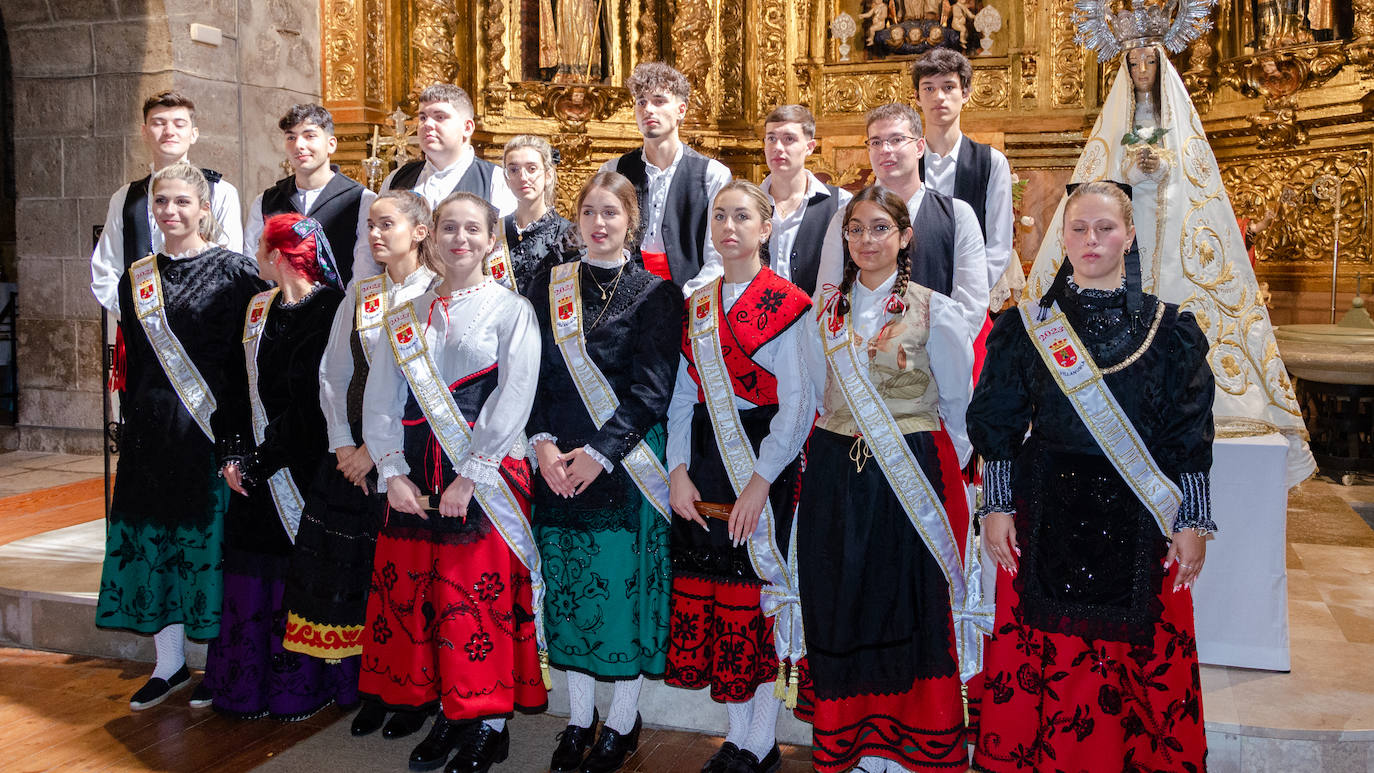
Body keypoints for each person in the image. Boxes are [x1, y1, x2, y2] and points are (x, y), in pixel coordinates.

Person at [969, 181, 1215, 771]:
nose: (1090, 240)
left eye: (1105, 228)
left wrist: (1193, 518)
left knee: (1131, 657)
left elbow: (1190, 432)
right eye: (1078, 228)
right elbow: (999, 421)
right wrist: (997, 506)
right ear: (1064, 236)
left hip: (1137, 515)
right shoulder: (1027, 326)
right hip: (1045, 508)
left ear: (1129, 236)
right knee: (1048, 652)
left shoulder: (1169, 329)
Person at [1025, 42, 1313, 485]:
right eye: (1134, 63)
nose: (1141, 70)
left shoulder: (1179, 120)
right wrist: (1132, 171)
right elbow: (1098, 178)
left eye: (1149, 63)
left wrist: (1163, 168)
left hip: (1171, 228)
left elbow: (1194, 181)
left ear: (1163, 68)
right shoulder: (1115, 120)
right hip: (1122, 222)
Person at [362, 192, 547, 773]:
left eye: (472, 229)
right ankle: (449, 710)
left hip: (482, 475)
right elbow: (383, 396)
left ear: (492, 239)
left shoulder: (511, 309)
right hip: (416, 473)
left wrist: (473, 473)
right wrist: (390, 471)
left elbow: (515, 394)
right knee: (425, 600)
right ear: (430, 236)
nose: (459, 239)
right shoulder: (406, 314)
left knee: (474, 604)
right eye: (448, 228)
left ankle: (487, 725)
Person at [799, 186, 976, 773]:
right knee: (843, 600)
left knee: (905, 604)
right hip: (836, 477)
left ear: (904, 238)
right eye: (855, 229)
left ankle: (907, 750)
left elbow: (958, 407)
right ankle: (855, 745)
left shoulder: (935, 310)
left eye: (879, 228)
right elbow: (807, 397)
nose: (866, 240)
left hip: (910, 476)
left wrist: (937, 474)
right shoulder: (821, 312)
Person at [527, 172, 682, 773]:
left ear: (631, 221)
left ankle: (621, 720)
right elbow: (532, 371)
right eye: (589, 212)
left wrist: (599, 452)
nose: (598, 223)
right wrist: (541, 444)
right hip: (556, 462)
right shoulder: (550, 284)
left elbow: (651, 391)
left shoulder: (654, 295)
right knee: (567, 591)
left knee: (618, 598)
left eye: (610, 213)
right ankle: (579, 718)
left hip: (622, 466)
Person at [94, 162, 264, 710]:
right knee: (156, 548)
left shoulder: (237, 273)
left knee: (206, 550)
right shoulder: (135, 277)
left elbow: (249, 362)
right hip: (150, 433)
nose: (170, 211)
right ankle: (167, 666)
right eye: (161, 202)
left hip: (209, 430)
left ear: (204, 209)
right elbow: (138, 363)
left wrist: (240, 438)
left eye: (182, 202)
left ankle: (219, 668)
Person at [665, 180, 814, 773]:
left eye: (742, 217)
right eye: (720, 216)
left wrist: (760, 482)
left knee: (754, 598)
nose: (729, 227)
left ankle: (759, 741)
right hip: (703, 460)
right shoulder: (698, 303)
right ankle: (738, 737)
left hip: (763, 461)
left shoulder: (789, 302)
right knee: (716, 594)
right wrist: (677, 470)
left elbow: (799, 406)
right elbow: (680, 397)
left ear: (766, 227)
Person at [295, 190, 443, 740]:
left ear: (420, 230)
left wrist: (377, 453)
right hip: (354, 462)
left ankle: (419, 692)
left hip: (410, 460)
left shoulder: (439, 292)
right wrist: (341, 444)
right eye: (370, 227)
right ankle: (377, 686)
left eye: (387, 225)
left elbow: (435, 389)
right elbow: (334, 375)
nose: (375, 235)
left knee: (410, 586)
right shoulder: (362, 293)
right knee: (367, 585)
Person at [203, 213, 349, 720]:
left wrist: (264, 459)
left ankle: (303, 688)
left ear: (280, 255)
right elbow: (232, 387)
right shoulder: (256, 309)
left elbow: (317, 399)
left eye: (261, 248)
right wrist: (234, 450)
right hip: (255, 474)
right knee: (251, 571)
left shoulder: (332, 309)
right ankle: (246, 686)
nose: (256, 257)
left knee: (299, 573)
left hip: (306, 468)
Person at [817, 102, 989, 340]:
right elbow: (826, 294)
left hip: (932, 361)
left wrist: (940, 354)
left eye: (896, 139)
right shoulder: (844, 217)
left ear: (919, 147)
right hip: (857, 358)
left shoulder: (957, 214)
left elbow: (972, 301)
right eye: (876, 142)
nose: (885, 149)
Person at [91, 91, 244, 314]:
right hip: (140, 327)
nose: (169, 131)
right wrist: (135, 317)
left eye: (179, 124)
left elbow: (232, 264)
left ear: (193, 134)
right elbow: (106, 268)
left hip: (204, 325)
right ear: (144, 132)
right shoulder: (125, 198)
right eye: (158, 123)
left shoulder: (220, 192)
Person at [602, 62, 732, 295]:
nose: (648, 109)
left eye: (659, 101)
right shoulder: (613, 172)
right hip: (623, 295)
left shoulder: (712, 174)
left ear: (681, 110)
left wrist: (687, 296)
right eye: (641, 102)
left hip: (690, 296)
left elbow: (719, 256)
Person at [912, 49, 1013, 310]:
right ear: (917, 97)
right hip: (909, 300)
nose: (939, 97)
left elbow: (998, 246)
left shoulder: (991, 162)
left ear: (965, 93)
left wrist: (967, 298)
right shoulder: (904, 161)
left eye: (948, 87)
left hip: (968, 303)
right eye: (929, 88)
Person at [244, 104, 377, 286]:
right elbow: (252, 262)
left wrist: (345, 311)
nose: (299, 145)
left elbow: (366, 269)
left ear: (331, 145)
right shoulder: (266, 201)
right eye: (291, 137)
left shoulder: (361, 199)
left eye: (309, 136)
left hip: (339, 308)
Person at [382, 84, 517, 216]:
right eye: (423, 117)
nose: (427, 124)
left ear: (467, 127)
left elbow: (504, 237)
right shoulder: (397, 179)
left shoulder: (497, 181)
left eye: (440, 117)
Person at [759, 105, 852, 297]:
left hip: (816, 320)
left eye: (789, 139)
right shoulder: (748, 203)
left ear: (809, 147)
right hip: (757, 319)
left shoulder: (840, 203)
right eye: (771, 138)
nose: (777, 147)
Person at [494, 134, 573, 297]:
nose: (523, 177)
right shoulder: (494, 232)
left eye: (532, 169)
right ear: (506, 178)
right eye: (514, 169)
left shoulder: (567, 235)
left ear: (548, 175)